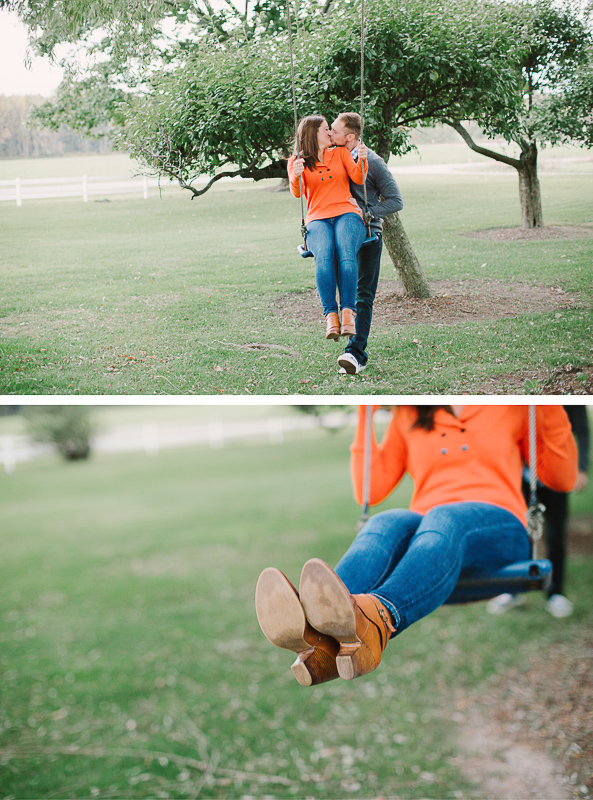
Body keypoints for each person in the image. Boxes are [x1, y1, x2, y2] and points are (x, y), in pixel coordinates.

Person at [255, 405, 578, 686]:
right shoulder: (411, 412)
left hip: (500, 529)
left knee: (445, 517)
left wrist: (546, 405)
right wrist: (364, 412)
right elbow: (372, 490)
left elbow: (562, 478)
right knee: (385, 521)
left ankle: (378, 618)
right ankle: (321, 637)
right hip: (431, 534)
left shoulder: (516, 405)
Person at [487, 405, 590, 618]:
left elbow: (581, 429)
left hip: (556, 473)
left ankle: (555, 593)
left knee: (555, 534)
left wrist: (582, 467)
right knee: (517, 533)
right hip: (522, 474)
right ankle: (513, 589)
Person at [329, 113, 404, 375]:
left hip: (368, 235)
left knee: (363, 295)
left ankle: (355, 353)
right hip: (340, 234)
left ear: (350, 137)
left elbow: (396, 200)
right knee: (343, 291)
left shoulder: (372, 161)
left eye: (335, 131)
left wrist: (368, 213)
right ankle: (347, 338)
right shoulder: (333, 156)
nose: (330, 134)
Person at [287, 115, 369, 340]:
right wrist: (296, 173)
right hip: (318, 218)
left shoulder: (340, 153)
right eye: (326, 129)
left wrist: (363, 159)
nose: (330, 133)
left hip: (347, 213)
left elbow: (359, 178)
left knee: (345, 252)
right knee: (323, 255)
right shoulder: (297, 160)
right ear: (314, 134)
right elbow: (297, 192)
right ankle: (331, 316)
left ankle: (348, 313)